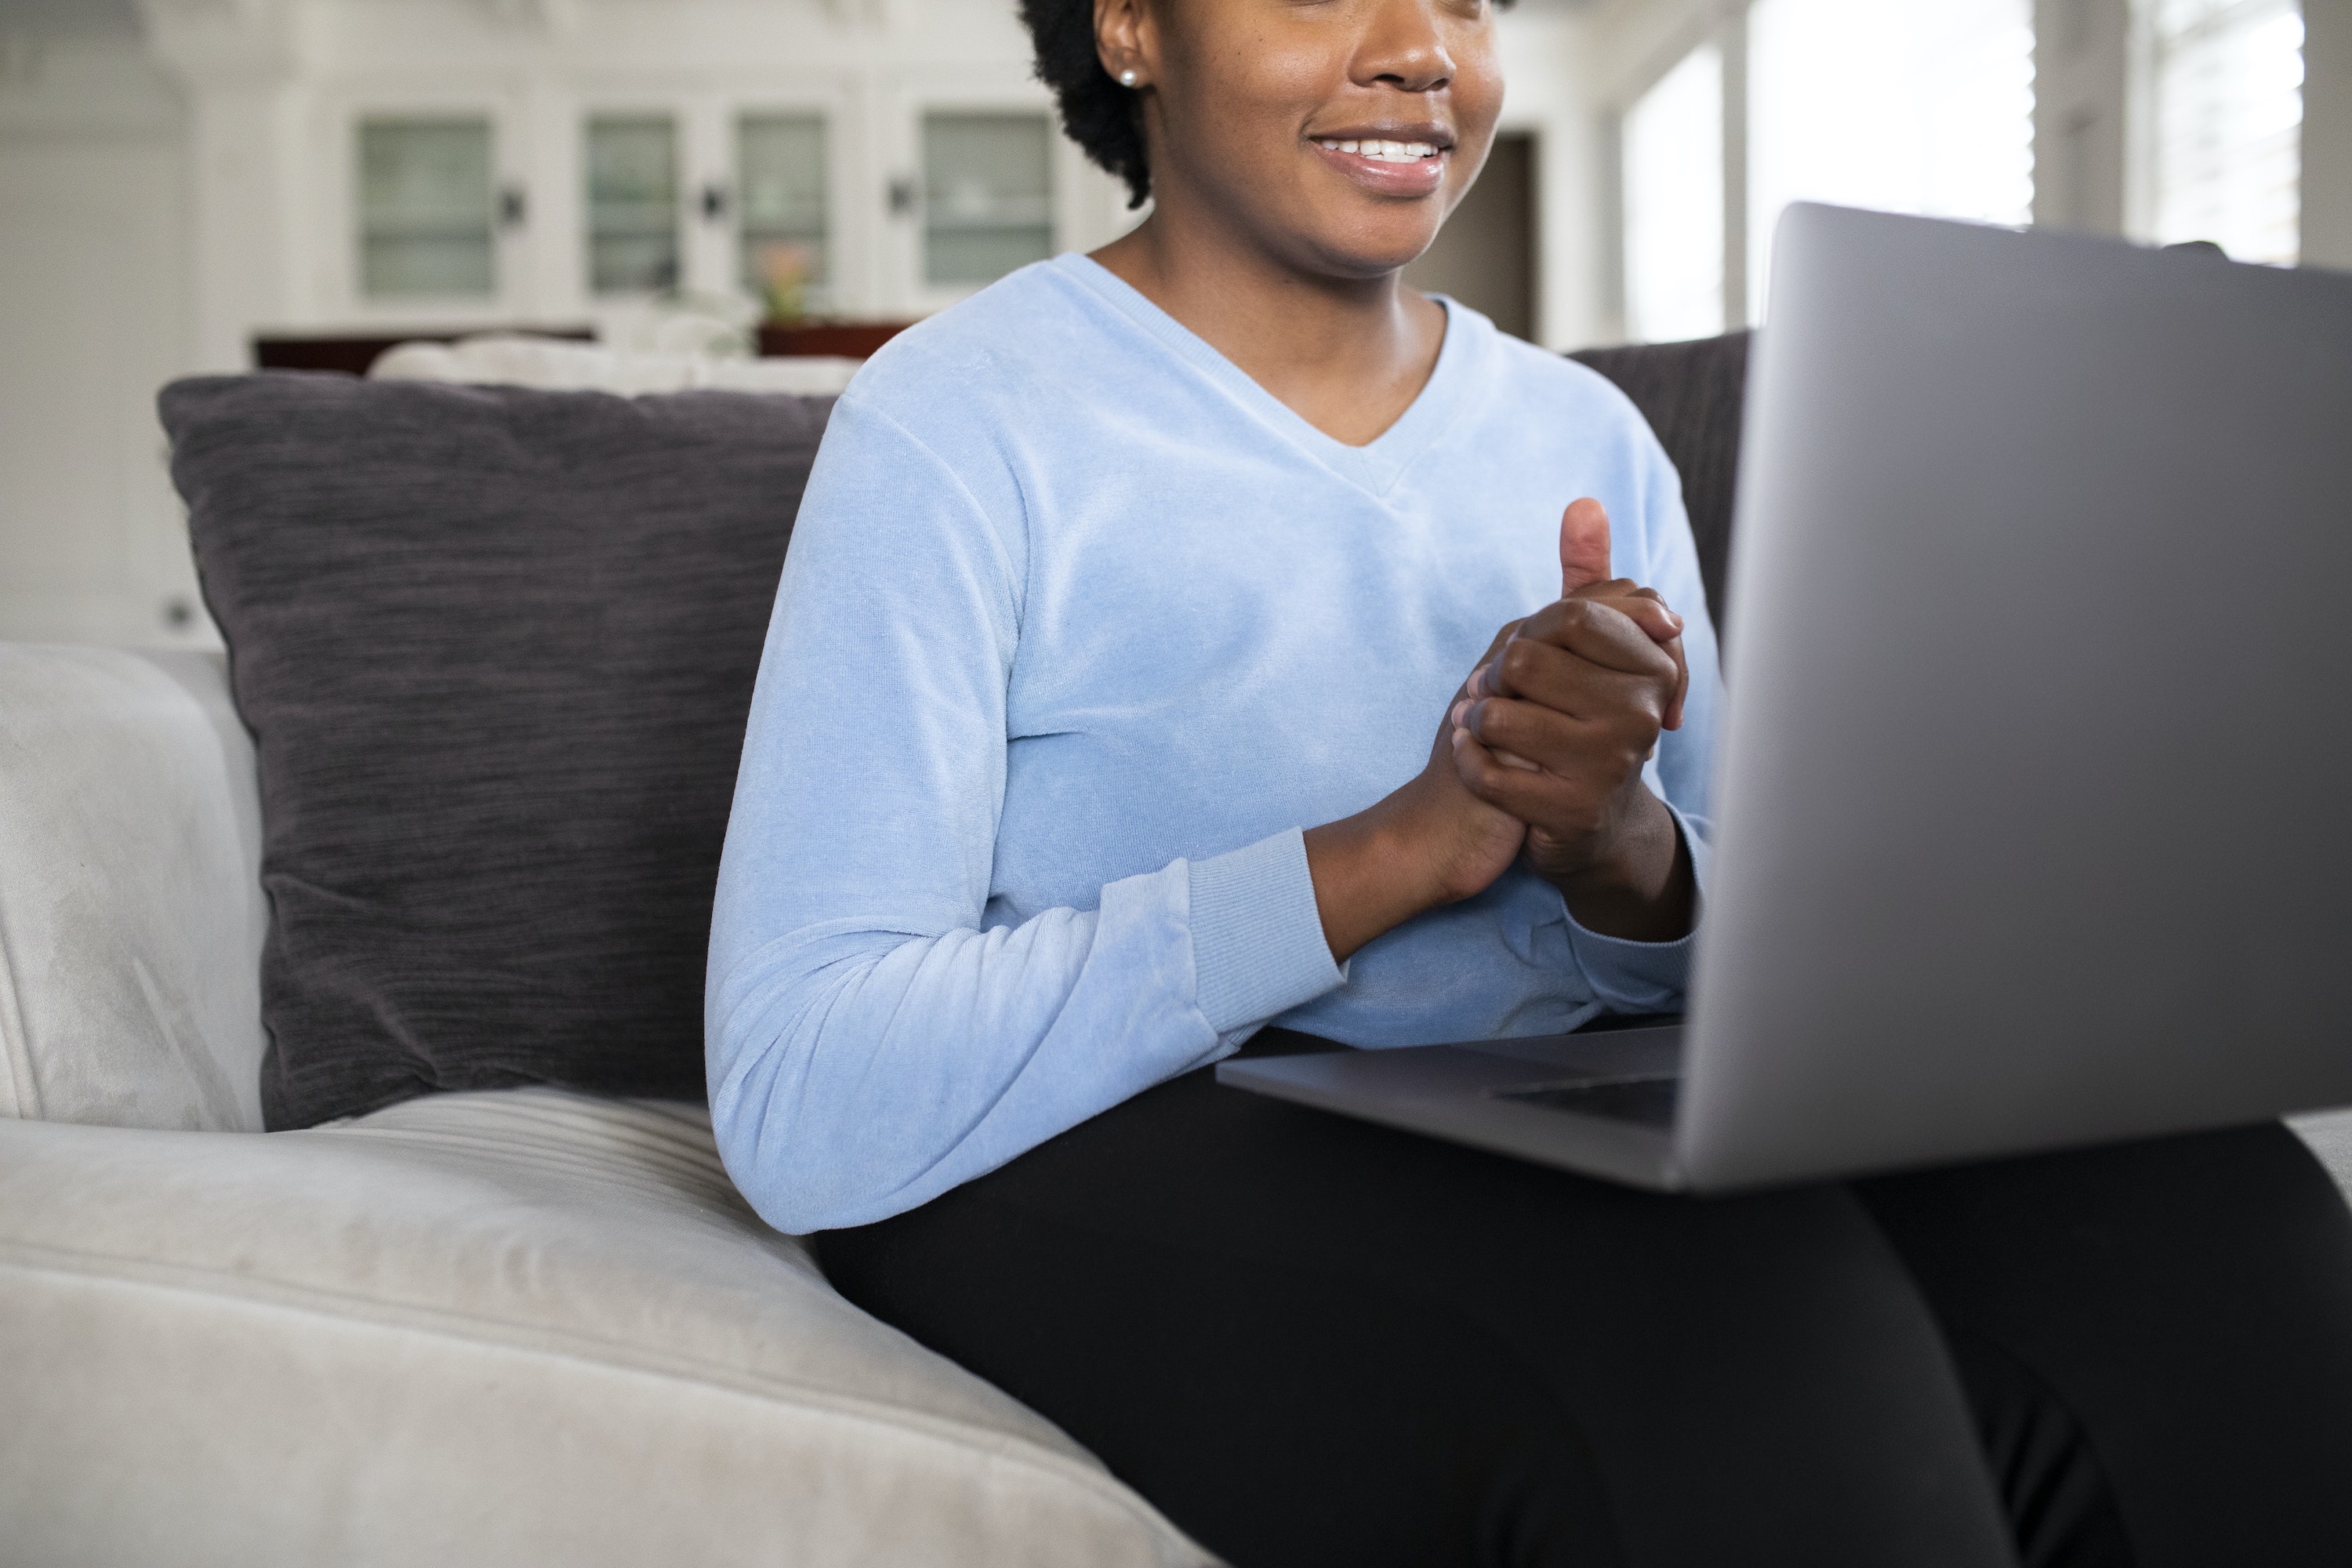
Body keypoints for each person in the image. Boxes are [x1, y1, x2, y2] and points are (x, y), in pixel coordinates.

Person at [705, 1, 2352, 1563]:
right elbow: (806, 1086)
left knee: (2210, 1222)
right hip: (1117, 1125)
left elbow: (1719, 950)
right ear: (1130, 23)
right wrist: (1397, 849)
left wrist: (1626, 852)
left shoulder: (1586, 434)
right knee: (1735, 1318)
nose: (1424, 51)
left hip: (1524, 1093)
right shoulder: (955, 420)